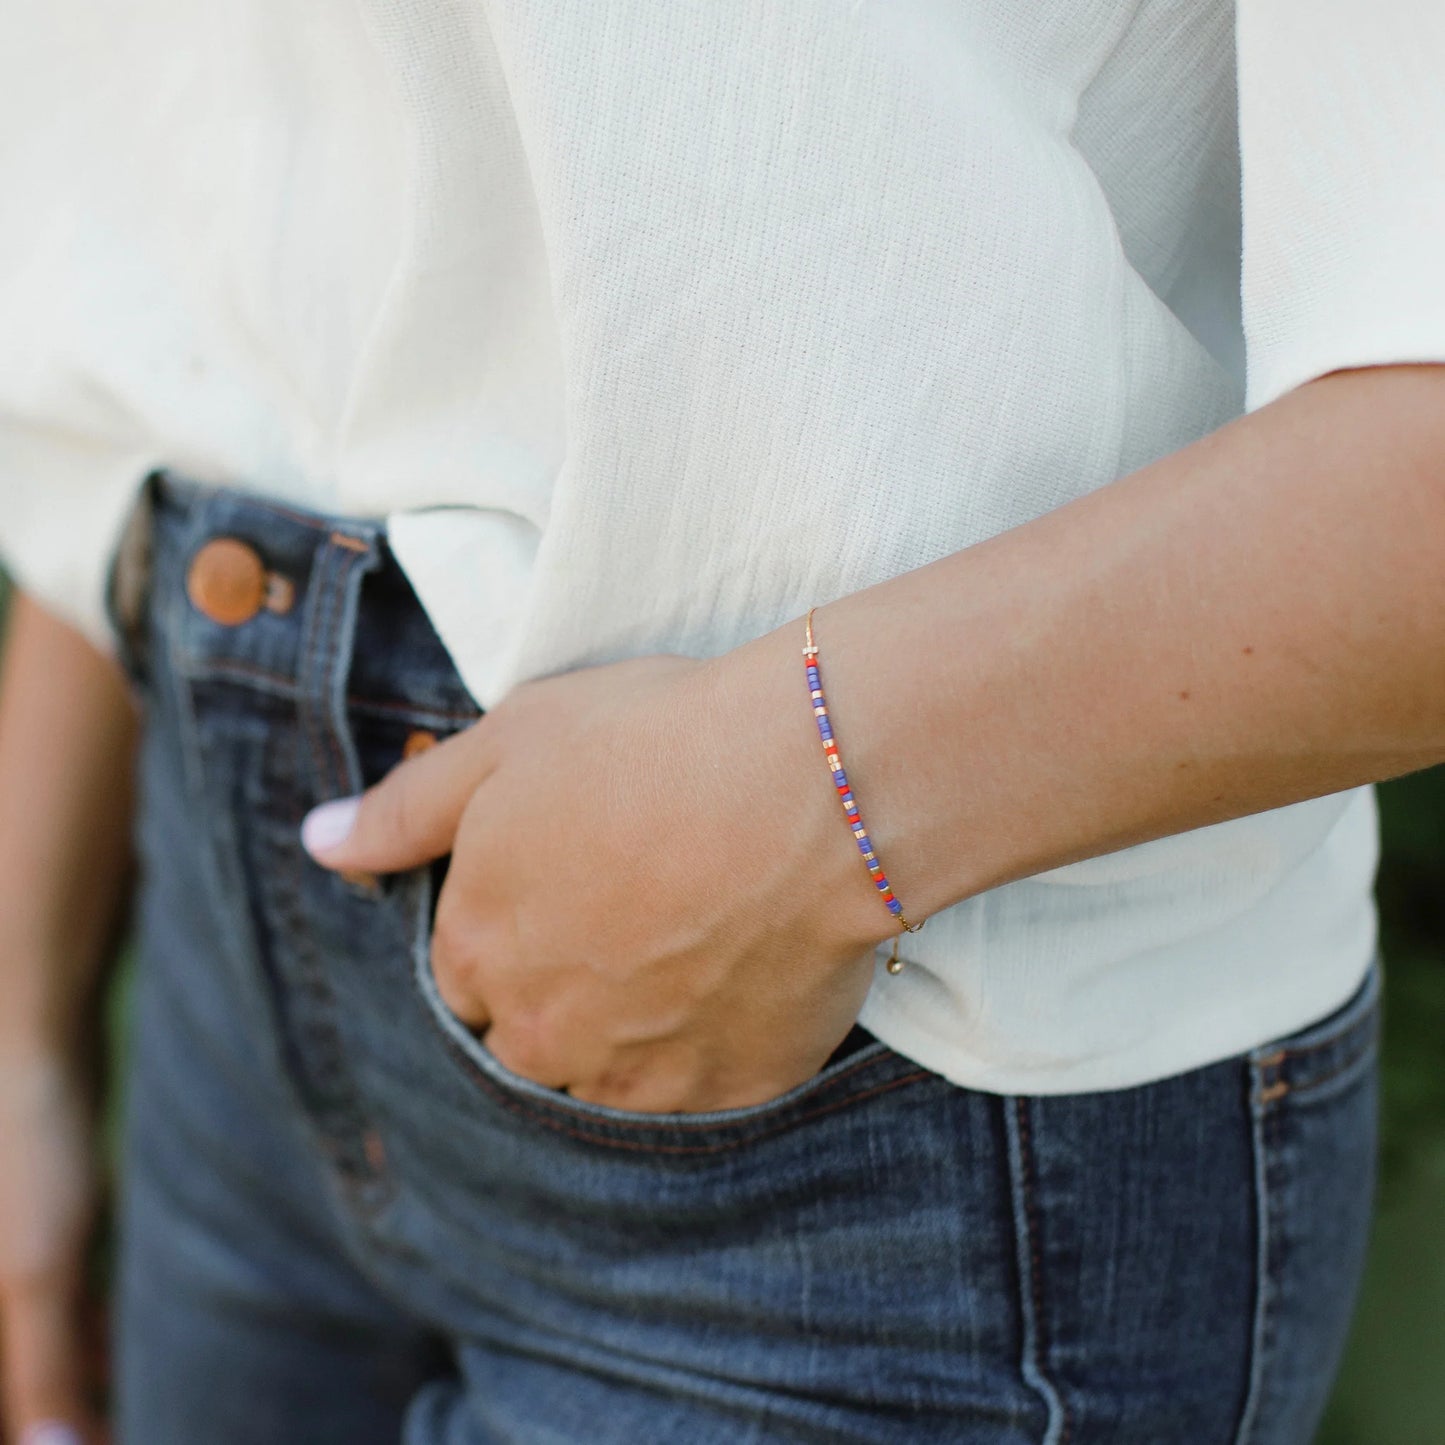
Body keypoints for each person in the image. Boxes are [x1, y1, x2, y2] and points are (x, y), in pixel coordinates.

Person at [1, 1, 1441, 1440]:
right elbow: (176, 209)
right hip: (226, 974)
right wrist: (24, 1023)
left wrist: (808, 804)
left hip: (876, 1105)